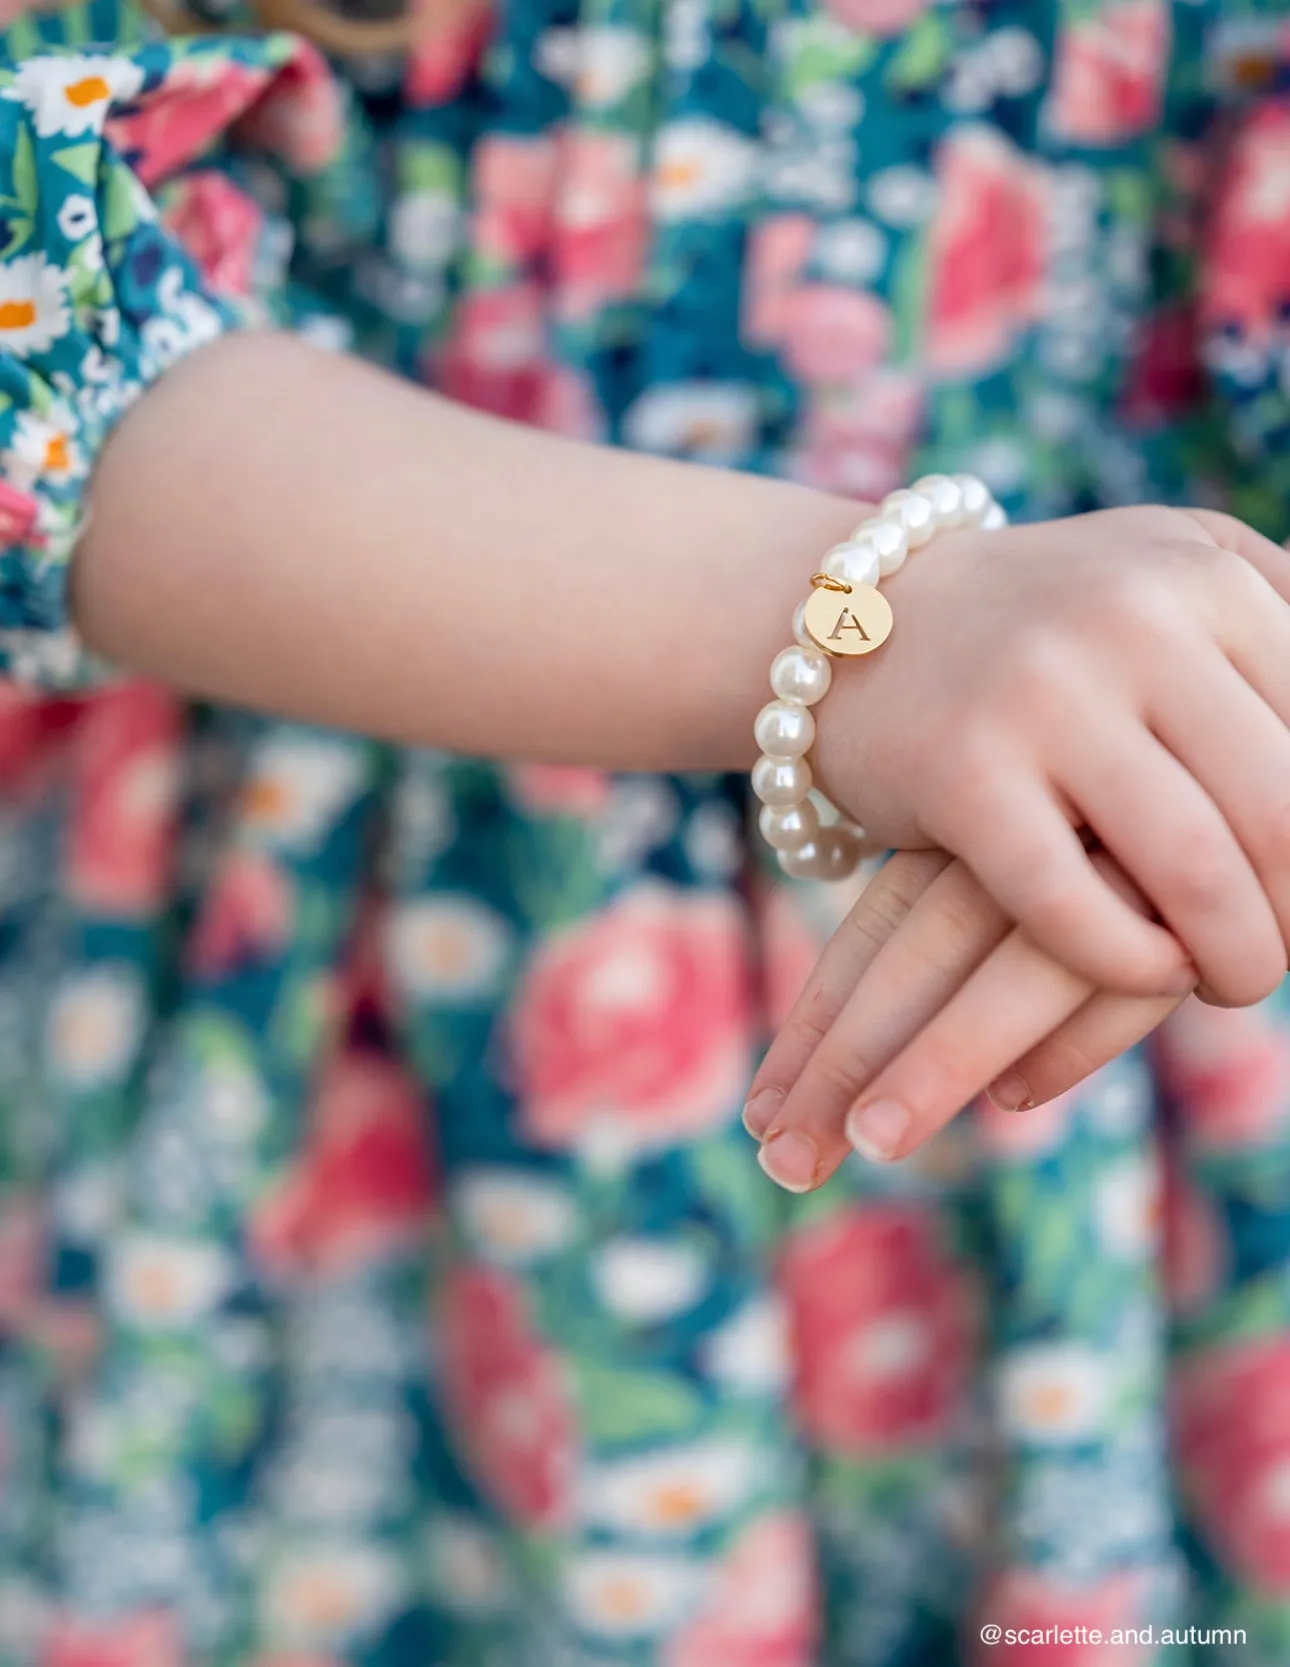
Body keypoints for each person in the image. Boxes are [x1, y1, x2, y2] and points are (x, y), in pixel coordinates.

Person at [0, 0, 1288, 1660]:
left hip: (1138, 962)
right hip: (325, 1006)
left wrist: (1205, 732)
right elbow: (47, 337)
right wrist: (877, 630)